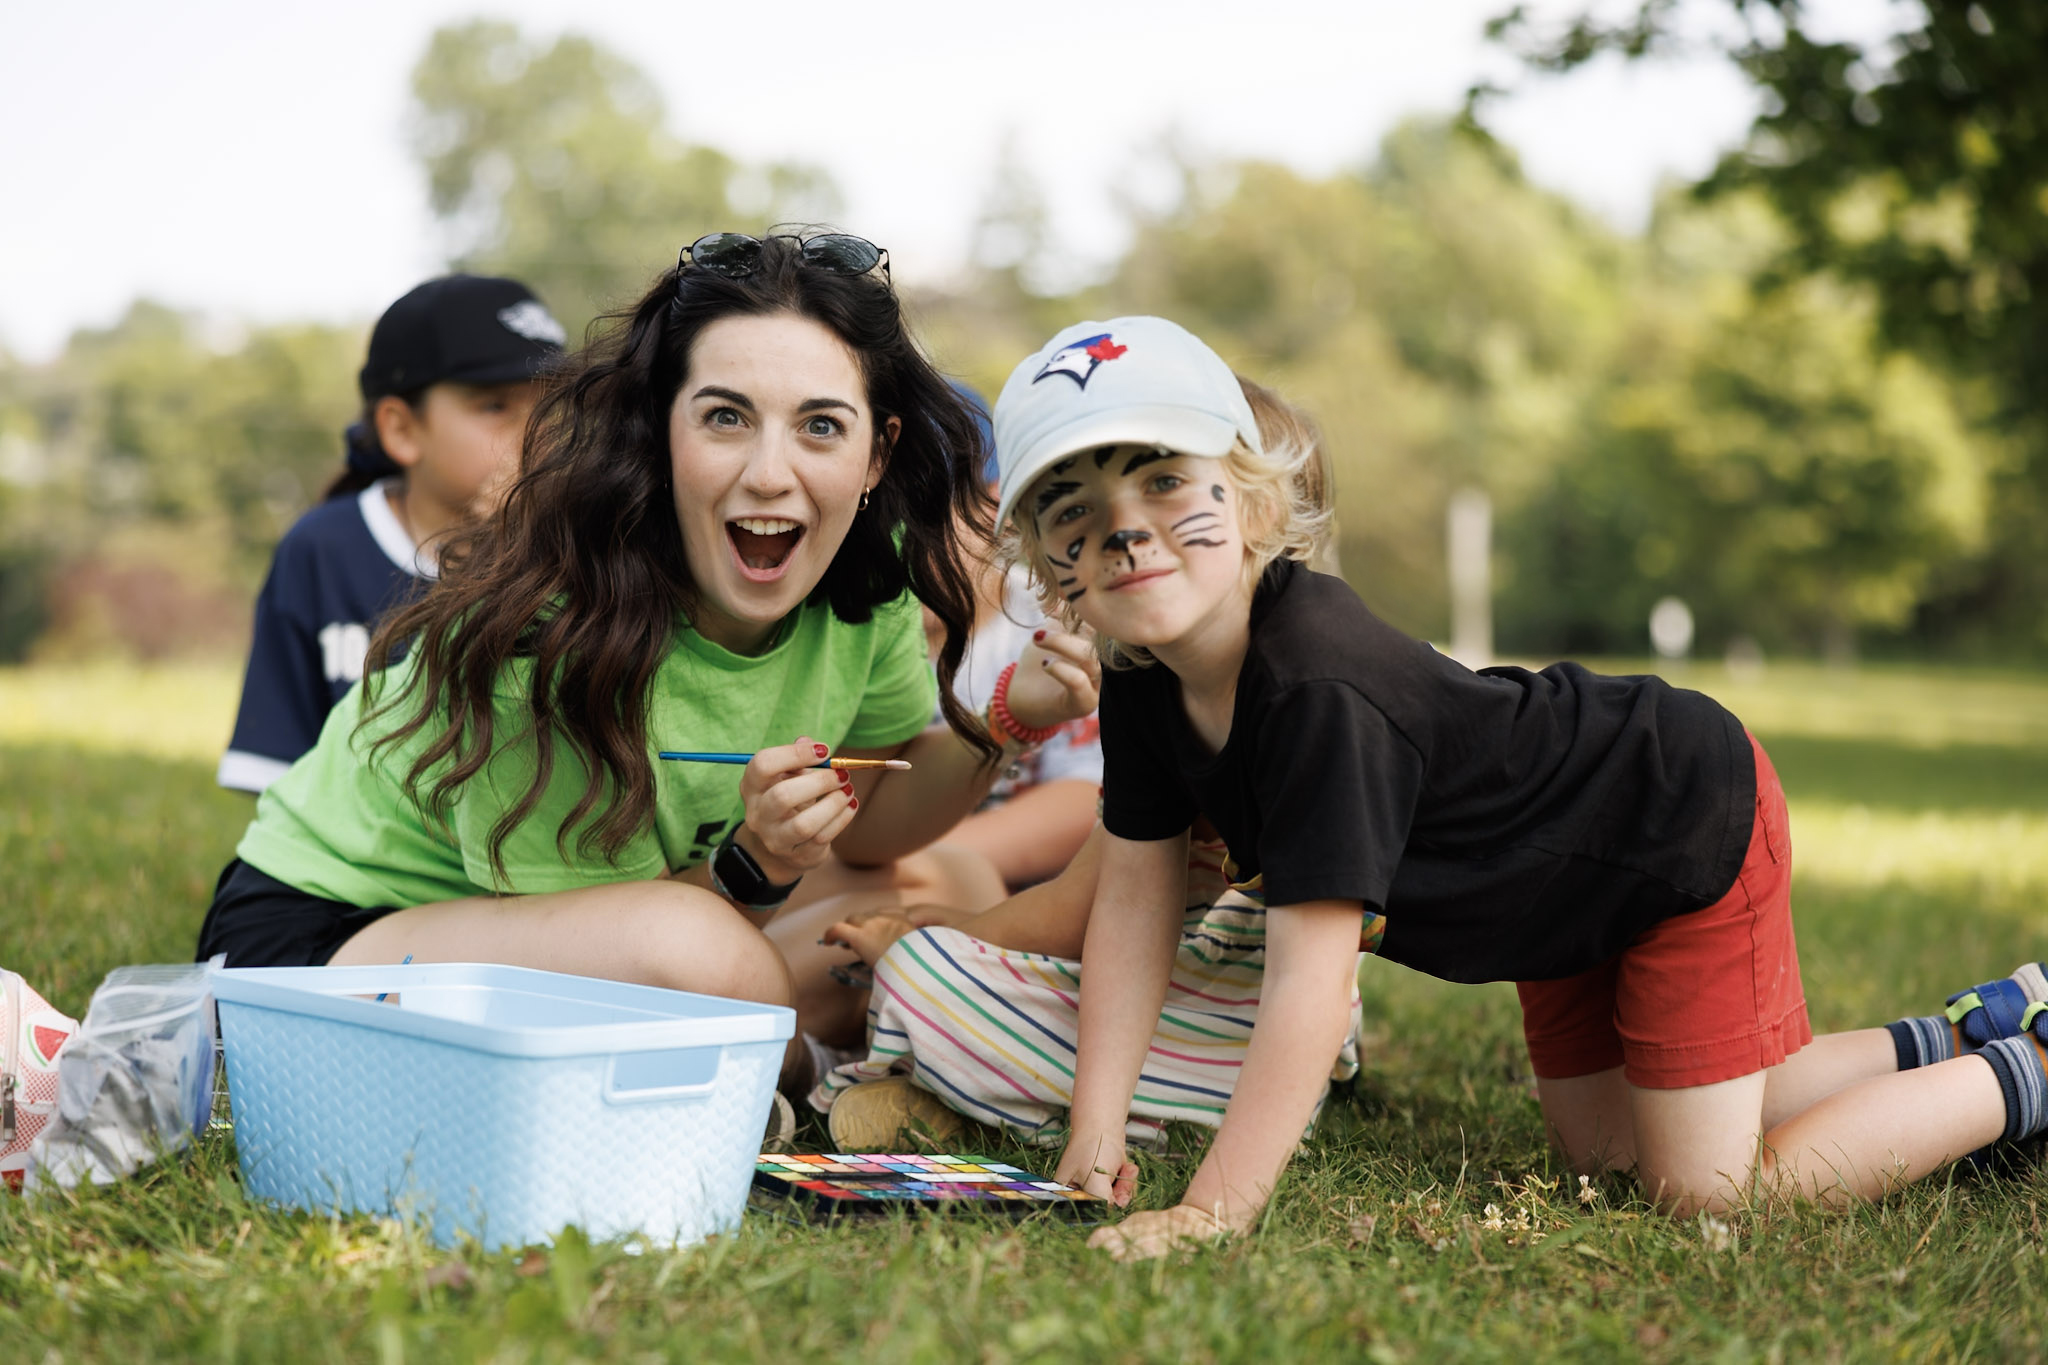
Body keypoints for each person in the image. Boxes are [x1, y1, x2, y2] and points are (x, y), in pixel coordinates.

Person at [987, 314, 2048, 1261]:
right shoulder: (1143, 674)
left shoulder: (1313, 684)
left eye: (1163, 479)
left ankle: (2027, 1073)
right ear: (1045, 563)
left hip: (1662, 821)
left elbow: (1306, 989)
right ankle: (1965, 1030)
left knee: (1710, 1195)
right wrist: (1094, 1131)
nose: (1124, 529)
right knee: (1605, 1157)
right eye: (1074, 509)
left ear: (1256, 505)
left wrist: (1211, 1212)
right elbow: (1133, 898)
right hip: (1551, 894)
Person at [193, 233, 1098, 1090]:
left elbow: (872, 828)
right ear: (659, 433)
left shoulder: (867, 580)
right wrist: (756, 864)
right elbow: (636, 957)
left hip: (609, 934)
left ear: (877, 454)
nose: (771, 474)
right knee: (714, 962)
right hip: (318, 950)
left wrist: (1014, 720)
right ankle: (814, 1080)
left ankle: (807, 1034)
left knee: (950, 887)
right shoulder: (553, 628)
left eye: (821, 426)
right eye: (725, 418)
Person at [809, 379, 1362, 1153]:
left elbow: (1079, 910)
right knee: (940, 968)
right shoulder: (1211, 685)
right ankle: (969, 1092)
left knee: (927, 977)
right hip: (1238, 1014)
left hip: (1227, 1020)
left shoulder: (1211, 695)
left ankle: (975, 1092)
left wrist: (926, 941)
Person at [216, 275, 565, 794]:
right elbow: (274, 775)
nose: (539, 432)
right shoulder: (323, 550)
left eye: (554, 404)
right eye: (495, 406)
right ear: (401, 429)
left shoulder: (577, 553)